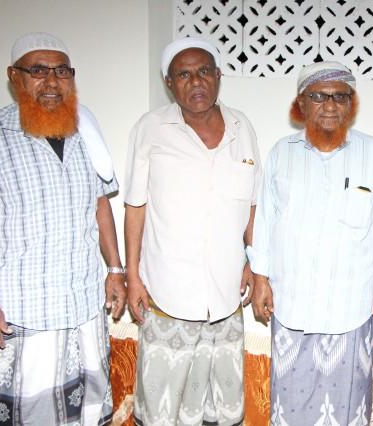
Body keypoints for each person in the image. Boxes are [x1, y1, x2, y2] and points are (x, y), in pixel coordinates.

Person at [0, 32, 126, 425]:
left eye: (62, 71)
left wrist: (115, 269)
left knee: (87, 408)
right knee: (30, 413)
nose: (52, 81)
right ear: (14, 76)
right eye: (38, 70)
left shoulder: (85, 131)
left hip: (83, 305)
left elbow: (100, 205)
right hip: (22, 310)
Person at [249, 61, 373, 425]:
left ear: (351, 103)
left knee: (347, 408)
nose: (330, 105)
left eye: (340, 97)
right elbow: (265, 221)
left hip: (351, 308)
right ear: (301, 103)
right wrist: (260, 277)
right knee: (291, 405)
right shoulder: (281, 153)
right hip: (292, 305)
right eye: (319, 96)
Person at [124, 37, 261, 425]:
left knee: (219, 405)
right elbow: (135, 207)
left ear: (218, 76)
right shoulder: (150, 129)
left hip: (225, 295)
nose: (196, 81)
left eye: (203, 71)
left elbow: (252, 204)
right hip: (168, 293)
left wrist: (254, 260)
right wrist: (132, 276)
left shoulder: (242, 128)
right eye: (183, 75)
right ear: (169, 83)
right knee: (162, 406)